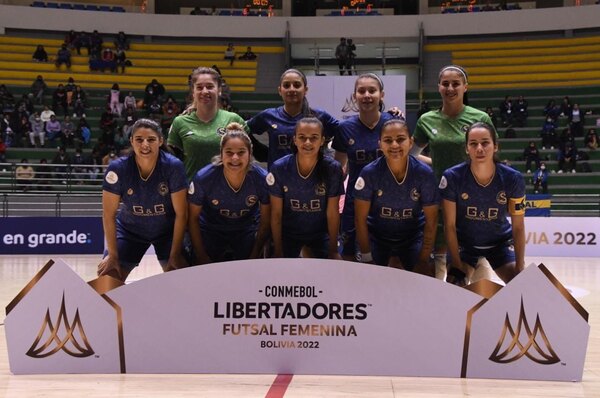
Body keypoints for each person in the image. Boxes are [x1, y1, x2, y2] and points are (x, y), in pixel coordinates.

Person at [412, 65, 494, 281]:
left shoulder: (481, 118)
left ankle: (476, 303)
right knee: (439, 250)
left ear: (465, 87)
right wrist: (436, 165)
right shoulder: (426, 120)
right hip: (439, 195)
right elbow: (412, 155)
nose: (450, 88)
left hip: (474, 196)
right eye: (445, 84)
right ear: (438, 87)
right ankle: (441, 304)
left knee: (474, 254)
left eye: (455, 83)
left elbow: (488, 157)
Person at [98, 118, 188, 282]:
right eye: (139, 139)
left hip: (167, 232)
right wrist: (112, 255)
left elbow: (182, 214)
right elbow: (108, 215)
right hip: (129, 231)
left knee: (181, 277)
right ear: (131, 141)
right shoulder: (118, 168)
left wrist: (175, 255)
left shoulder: (173, 166)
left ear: (160, 141)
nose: (145, 144)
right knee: (108, 278)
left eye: (151, 139)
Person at [440, 121, 525, 286]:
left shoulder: (513, 178)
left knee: (523, 286)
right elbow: (449, 225)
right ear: (467, 148)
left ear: (495, 146)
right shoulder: (452, 177)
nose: (479, 148)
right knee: (455, 287)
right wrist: (457, 267)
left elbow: (518, 226)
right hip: (465, 244)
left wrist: (520, 268)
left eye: (485, 143)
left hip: (500, 243)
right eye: (473, 143)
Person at [354, 119, 439, 274]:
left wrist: (423, 259)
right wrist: (367, 257)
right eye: (388, 140)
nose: (394, 145)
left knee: (428, 275)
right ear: (380, 144)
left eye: (400, 139)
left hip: (412, 237)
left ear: (411, 142)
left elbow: (431, 220)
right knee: (365, 280)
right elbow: (360, 219)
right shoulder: (369, 173)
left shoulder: (424, 174)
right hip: (378, 237)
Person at [333, 73, 399, 261]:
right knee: (348, 254)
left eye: (372, 90)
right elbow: (339, 166)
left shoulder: (394, 123)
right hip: (355, 200)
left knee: (388, 257)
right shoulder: (345, 128)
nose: (367, 95)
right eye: (361, 91)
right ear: (354, 96)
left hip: (389, 199)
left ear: (382, 95)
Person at [188, 123, 270, 264]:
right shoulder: (204, 178)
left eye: (241, 152)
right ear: (221, 154)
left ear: (250, 153)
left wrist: (255, 254)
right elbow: (192, 218)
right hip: (210, 228)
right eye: (229, 152)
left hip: (246, 229)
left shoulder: (261, 178)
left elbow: (266, 220)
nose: (235, 158)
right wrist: (201, 255)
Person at [267, 117, 344, 259]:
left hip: (320, 234)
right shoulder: (279, 168)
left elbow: (332, 213)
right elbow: (276, 214)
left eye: (314, 138)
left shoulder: (333, 169)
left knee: (334, 268)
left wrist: (333, 250)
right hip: (288, 234)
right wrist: (278, 250)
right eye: (302, 137)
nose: (307, 142)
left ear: (322, 141)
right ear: (295, 140)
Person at [247, 68, 339, 169]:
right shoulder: (268, 116)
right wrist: (264, 153)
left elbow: (344, 132)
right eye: (286, 85)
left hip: (312, 180)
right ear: (280, 90)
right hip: (277, 180)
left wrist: (333, 158)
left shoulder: (319, 116)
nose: (291, 89)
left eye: (297, 85)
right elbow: (244, 130)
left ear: (305, 90)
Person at [168, 67, 247, 180]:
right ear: (193, 92)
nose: (204, 91)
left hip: (227, 191)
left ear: (219, 89)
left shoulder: (234, 120)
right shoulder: (180, 122)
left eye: (210, 86)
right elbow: (171, 161)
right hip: (191, 192)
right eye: (199, 87)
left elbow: (249, 156)